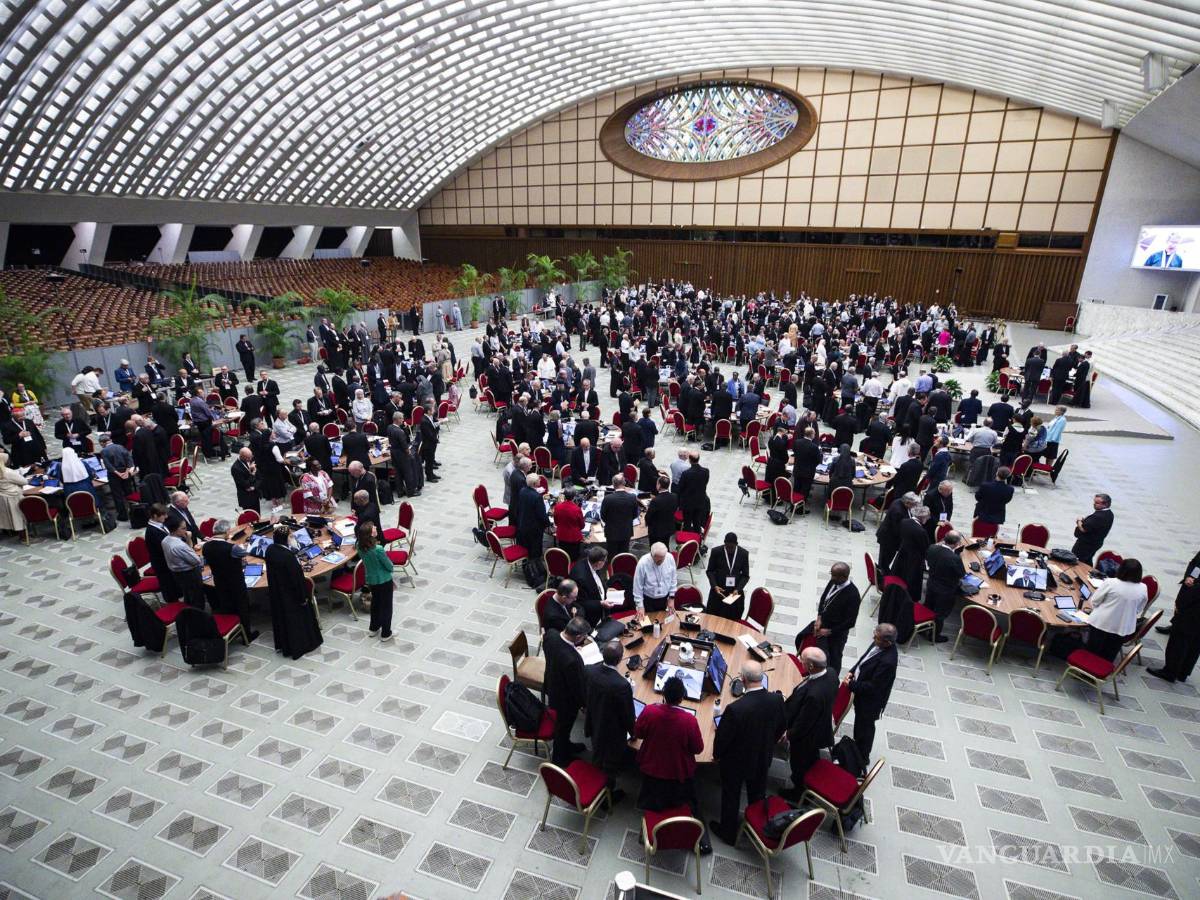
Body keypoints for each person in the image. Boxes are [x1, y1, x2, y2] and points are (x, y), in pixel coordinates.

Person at [709, 660, 786, 845]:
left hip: (736, 764)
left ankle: (728, 832)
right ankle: (756, 827)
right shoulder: (776, 700)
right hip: (761, 757)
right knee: (757, 794)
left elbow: (723, 739)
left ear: (742, 680)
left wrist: (717, 755)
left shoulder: (735, 709)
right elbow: (782, 726)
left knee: (731, 796)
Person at [634, 675, 710, 854]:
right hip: (679, 773)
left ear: (663, 695)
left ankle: (647, 826)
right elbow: (698, 749)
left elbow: (638, 732)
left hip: (651, 768)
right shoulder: (689, 721)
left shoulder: (650, 711)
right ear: (682, 697)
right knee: (693, 803)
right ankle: (702, 840)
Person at [779, 648, 838, 801]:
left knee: (799, 764)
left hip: (807, 737)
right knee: (810, 759)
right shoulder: (831, 673)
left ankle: (799, 794)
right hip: (820, 724)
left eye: (803, 661)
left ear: (811, 666)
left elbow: (803, 724)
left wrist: (788, 734)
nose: (800, 662)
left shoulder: (814, 695)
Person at [584, 640, 636, 800]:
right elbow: (627, 714)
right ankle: (607, 796)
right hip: (612, 734)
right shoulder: (621, 685)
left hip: (595, 722)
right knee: (610, 766)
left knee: (598, 753)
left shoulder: (591, 672)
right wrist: (633, 732)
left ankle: (597, 777)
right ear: (620, 659)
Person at [265, 525, 323, 659]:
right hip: (292, 597)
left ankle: (284, 645)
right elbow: (296, 580)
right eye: (290, 536)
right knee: (297, 624)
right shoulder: (288, 556)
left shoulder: (270, 549)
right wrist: (303, 598)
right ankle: (301, 646)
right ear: (285, 539)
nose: (293, 538)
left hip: (278, 593)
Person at [844, 623, 899, 760]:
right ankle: (857, 749)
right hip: (861, 691)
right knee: (859, 725)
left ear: (887, 642)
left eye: (877, 637)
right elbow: (864, 659)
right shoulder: (878, 642)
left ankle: (862, 757)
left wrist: (851, 684)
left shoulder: (888, 662)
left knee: (865, 728)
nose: (873, 638)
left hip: (870, 702)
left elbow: (873, 687)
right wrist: (852, 671)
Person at [795, 562, 861, 673]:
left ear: (844, 576)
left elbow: (850, 622)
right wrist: (819, 617)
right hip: (822, 625)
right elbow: (824, 599)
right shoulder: (833, 582)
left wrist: (829, 631)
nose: (832, 578)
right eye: (831, 574)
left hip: (836, 634)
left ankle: (831, 681)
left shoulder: (853, 595)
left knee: (833, 660)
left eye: (835, 575)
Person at [544, 616, 590, 765]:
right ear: (578, 637)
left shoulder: (550, 635)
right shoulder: (571, 660)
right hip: (565, 699)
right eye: (584, 636)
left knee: (563, 727)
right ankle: (560, 757)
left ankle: (566, 745)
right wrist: (584, 704)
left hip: (551, 683)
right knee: (563, 726)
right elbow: (576, 687)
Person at [1149, 549, 1200, 683]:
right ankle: (1183, 672)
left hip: (1193, 608)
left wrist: (1182, 604)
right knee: (1193, 641)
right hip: (1192, 597)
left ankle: (1170, 671)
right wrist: (1190, 576)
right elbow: (1196, 563)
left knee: (1180, 639)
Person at [201, 519, 257, 639]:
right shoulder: (232, 548)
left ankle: (231, 628)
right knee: (242, 606)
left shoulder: (206, 547)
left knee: (227, 604)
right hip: (236, 582)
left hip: (219, 581)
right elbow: (245, 553)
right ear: (227, 531)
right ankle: (246, 634)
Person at [1084, 558, 1147, 662]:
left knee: (1093, 650)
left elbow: (1095, 601)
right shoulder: (1143, 587)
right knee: (1109, 654)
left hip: (1101, 623)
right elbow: (1139, 608)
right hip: (1123, 627)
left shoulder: (1111, 582)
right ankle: (1101, 672)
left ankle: (1084, 670)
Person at [925, 530, 966, 642]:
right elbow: (961, 574)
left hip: (932, 583)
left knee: (928, 606)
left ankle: (924, 629)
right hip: (945, 590)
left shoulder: (932, 548)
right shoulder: (954, 558)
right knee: (940, 614)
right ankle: (934, 636)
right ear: (957, 543)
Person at [357, 521, 395, 641]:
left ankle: (373, 628)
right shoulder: (378, 549)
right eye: (373, 528)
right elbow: (389, 566)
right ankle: (386, 633)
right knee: (387, 607)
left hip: (372, 580)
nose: (376, 528)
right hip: (384, 580)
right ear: (370, 534)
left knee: (376, 604)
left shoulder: (359, 545)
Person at [704, 532, 750, 619]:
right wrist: (715, 586)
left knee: (732, 620)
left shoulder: (743, 554)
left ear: (736, 544)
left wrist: (738, 589)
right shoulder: (716, 552)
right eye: (727, 547)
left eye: (731, 547)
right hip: (718, 592)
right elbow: (710, 571)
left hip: (734, 593)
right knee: (713, 619)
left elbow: (745, 576)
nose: (729, 550)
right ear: (724, 543)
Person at [162, 516, 206, 609]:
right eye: (183, 528)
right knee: (197, 599)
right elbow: (196, 561)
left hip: (177, 574)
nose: (186, 530)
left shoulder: (165, 540)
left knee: (188, 596)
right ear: (175, 530)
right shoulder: (179, 546)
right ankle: (199, 618)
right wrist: (189, 540)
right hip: (189, 575)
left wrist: (188, 540)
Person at [144, 504, 181, 604]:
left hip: (167, 561)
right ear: (155, 516)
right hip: (162, 564)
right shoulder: (152, 531)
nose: (166, 517)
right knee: (169, 587)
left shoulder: (160, 524)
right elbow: (165, 546)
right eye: (163, 515)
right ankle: (173, 606)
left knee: (174, 584)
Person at [892, 506, 931, 597]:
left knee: (900, 574)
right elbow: (925, 548)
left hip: (903, 552)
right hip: (914, 559)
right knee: (911, 580)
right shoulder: (921, 531)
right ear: (922, 517)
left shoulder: (905, 521)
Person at [98, 434, 136, 521]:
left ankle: (123, 516)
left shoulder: (104, 451)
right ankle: (134, 511)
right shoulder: (121, 447)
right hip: (126, 473)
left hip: (114, 476)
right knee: (129, 493)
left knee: (117, 495)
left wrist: (119, 474)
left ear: (102, 443)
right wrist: (126, 472)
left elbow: (109, 466)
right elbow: (129, 460)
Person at [599, 474, 639, 556]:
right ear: (624, 483)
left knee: (611, 555)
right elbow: (635, 515)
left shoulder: (607, 499)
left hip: (611, 532)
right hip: (626, 531)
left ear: (613, 484)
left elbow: (603, 516)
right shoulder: (632, 498)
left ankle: (611, 568)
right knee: (624, 555)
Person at [570, 547, 609, 627]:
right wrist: (600, 603)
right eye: (604, 561)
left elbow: (598, 581)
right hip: (591, 617)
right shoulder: (581, 578)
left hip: (600, 605)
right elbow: (580, 603)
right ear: (599, 563)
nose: (605, 563)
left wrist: (607, 589)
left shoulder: (591, 562)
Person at [633, 542, 677, 613]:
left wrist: (671, 598)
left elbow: (673, 579)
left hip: (664, 598)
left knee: (663, 621)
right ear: (652, 555)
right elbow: (637, 586)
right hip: (648, 600)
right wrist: (640, 606)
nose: (661, 562)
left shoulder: (670, 558)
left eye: (662, 559)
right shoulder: (643, 563)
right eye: (658, 560)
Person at [516, 472, 550, 563]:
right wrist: (548, 524)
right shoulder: (537, 497)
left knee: (526, 546)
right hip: (534, 528)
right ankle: (534, 567)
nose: (540, 480)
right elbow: (542, 515)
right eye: (539, 480)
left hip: (523, 524)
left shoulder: (522, 490)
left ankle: (526, 563)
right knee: (535, 549)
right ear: (535, 484)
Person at [1072, 493, 1114, 565]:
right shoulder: (1109, 514)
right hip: (1095, 543)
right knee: (1087, 560)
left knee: (1077, 561)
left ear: (1105, 504)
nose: (1094, 504)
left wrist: (1079, 520)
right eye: (1094, 502)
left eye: (1097, 503)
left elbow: (1083, 529)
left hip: (1085, 545)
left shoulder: (1098, 516)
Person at [677, 450, 710, 534]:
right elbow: (705, 483)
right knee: (697, 521)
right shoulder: (706, 471)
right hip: (700, 501)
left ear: (689, 460)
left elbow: (680, 488)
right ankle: (697, 539)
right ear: (698, 459)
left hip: (688, 503)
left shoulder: (686, 473)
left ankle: (687, 540)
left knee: (687, 523)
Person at [644, 474, 679, 547]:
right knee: (665, 546)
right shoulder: (674, 496)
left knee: (654, 549)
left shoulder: (655, 500)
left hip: (656, 531)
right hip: (669, 527)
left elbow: (648, 517)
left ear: (659, 485)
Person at [0, 448, 28, 536]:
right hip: (14, 496)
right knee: (19, 518)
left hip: (4, 496)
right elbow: (24, 481)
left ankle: (14, 533)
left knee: (12, 517)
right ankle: (24, 537)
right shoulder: (8, 472)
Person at [553, 487, 584, 561]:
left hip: (562, 535)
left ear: (564, 495)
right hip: (574, 537)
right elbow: (582, 525)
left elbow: (556, 522)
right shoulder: (577, 509)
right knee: (574, 557)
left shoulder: (557, 507)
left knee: (563, 555)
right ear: (574, 496)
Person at [231, 447, 260, 513]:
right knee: (249, 518)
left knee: (258, 515)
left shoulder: (250, 461)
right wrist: (252, 474)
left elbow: (259, 478)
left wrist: (254, 487)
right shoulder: (235, 468)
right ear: (242, 457)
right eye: (248, 457)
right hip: (246, 498)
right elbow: (245, 484)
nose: (251, 459)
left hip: (255, 494)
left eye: (251, 456)